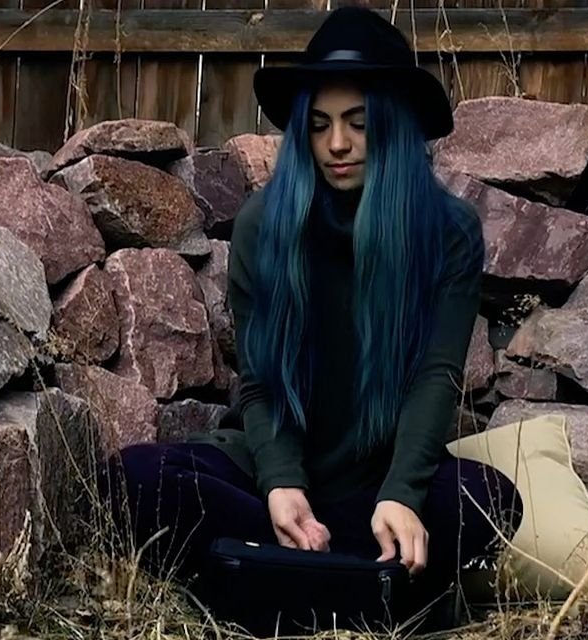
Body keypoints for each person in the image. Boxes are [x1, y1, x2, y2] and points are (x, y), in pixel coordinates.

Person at [101, 5, 522, 620]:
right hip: (275, 481)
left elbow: (437, 375)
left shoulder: (448, 233)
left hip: (378, 485)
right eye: (320, 125)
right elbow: (260, 382)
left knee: (490, 501)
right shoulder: (263, 226)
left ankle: (263, 579)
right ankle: (367, 588)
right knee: (133, 478)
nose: (337, 144)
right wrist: (281, 484)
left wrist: (403, 494)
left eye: (358, 123)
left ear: (393, 126)